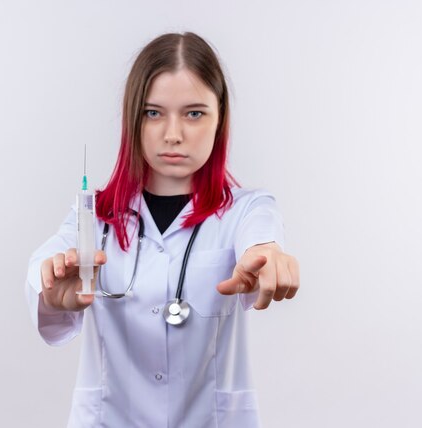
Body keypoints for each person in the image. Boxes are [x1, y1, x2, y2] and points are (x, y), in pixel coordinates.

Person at [25, 32, 300, 428]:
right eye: (154, 113)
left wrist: (268, 256)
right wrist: (51, 293)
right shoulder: (95, 219)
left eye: (194, 113)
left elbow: (261, 238)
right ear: (132, 118)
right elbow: (42, 267)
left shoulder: (244, 210)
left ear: (219, 117)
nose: (173, 134)